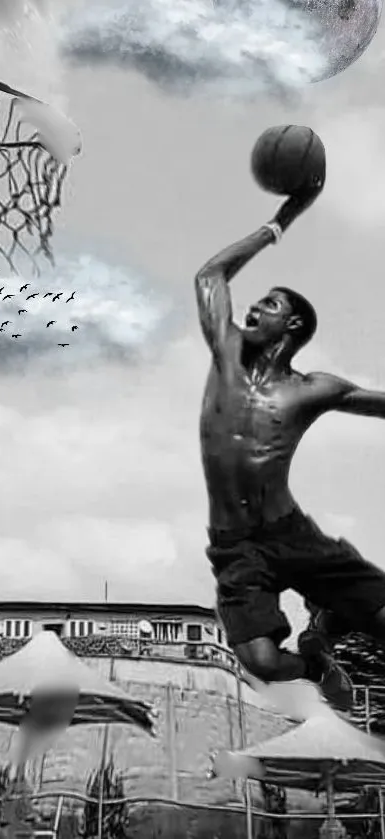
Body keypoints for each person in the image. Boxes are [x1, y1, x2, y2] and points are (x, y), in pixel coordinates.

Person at [195, 185, 385, 712]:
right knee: (260, 661)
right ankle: (316, 659)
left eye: (269, 304)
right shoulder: (227, 353)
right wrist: (277, 225)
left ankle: (334, 616)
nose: (254, 307)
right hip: (235, 543)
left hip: (291, 534)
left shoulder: (313, 388)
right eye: (256, 301)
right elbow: (209, 277)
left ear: (292, 324)